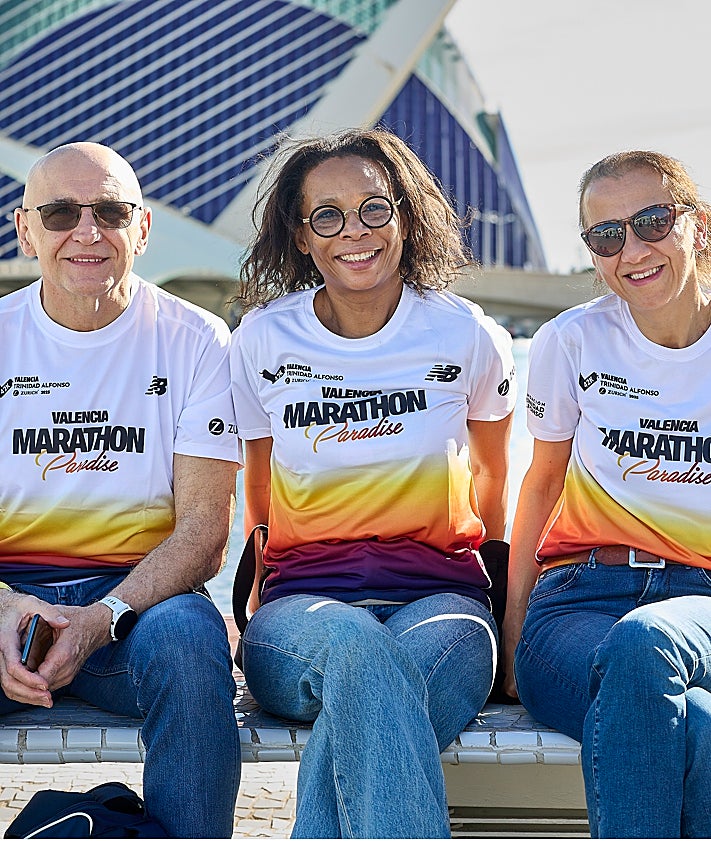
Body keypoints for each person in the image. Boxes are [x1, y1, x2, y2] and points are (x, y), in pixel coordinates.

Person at [230, 127, 515, 838]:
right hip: (299, 614)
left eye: (372, 208)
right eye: (325, 214)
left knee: (369, 685)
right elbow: (256, 489)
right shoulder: (263, 339)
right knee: (358, 648)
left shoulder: (464, 334)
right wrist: (259, 591)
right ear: (300, 236)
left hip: (444, 605)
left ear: (406, 215)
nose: (351, 230)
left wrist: (505, 606)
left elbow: (491, 474)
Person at [4, 142, 240, 837]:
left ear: (140, 228)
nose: (87, 230)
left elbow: (203, 530)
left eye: (109, 210)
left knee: (191, 646)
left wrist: (102, 616)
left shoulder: (197, 338)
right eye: (60, 212)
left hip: (136, 607)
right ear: (25, 229)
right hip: (9, 602)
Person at [503, 150, 711, 838]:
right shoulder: (572, 341)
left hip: (701, 607)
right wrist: (509, 643)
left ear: (698, 225)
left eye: (652, 220)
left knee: (645, 641)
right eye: (607, 235)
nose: (633, 249)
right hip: (574, 607)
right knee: (696, 722)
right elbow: (538, 487)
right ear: (593, 253)